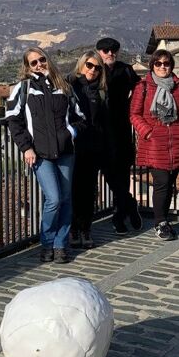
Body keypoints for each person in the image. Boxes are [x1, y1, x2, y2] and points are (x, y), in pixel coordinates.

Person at [6, 47, 84, 264]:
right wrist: (26, 148)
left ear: (48, 60)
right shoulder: (23, 88)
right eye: (34, 62)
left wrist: (71, 133)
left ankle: (61, 245)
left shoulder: (64, 87)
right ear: (27, 67)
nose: (39, 64)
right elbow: (14, 121)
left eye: (42, 59)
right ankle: (47, 242)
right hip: (39, 154)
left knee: (67, 199)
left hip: (66, 152)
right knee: (54, 199)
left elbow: (80, 117)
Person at [129, 48, 179, 240]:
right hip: (155, 142)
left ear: (171, 65)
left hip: (177, 140)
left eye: (166, 63)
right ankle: (160, 222)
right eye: (158, 63)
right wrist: (148, 132)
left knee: (170, 183)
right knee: (161, 182)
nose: (162, 67)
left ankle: (164, 220)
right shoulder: (143, 87)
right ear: (152, 65)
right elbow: (134, 114)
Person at [96, 37, 142, 235]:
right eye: (105, 50)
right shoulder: (93, 69)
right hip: (100, 132)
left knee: (122, 176)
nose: (109, 53)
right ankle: (129, 205)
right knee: (109, 175)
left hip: (122, 131)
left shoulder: (126, 70)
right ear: (98, 51)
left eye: (113, 49)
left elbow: (140, 91)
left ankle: (119, 217)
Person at [68, 50, 110, 249]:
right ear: (81, 65)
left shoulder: (101, 91)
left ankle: (86, 228)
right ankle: (73, 228)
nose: (93, 70)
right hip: (74, 146)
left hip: (94, 147)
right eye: (89, 65)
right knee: (74, 189)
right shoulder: (70, 86)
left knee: (89, 190)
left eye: (97, 67)